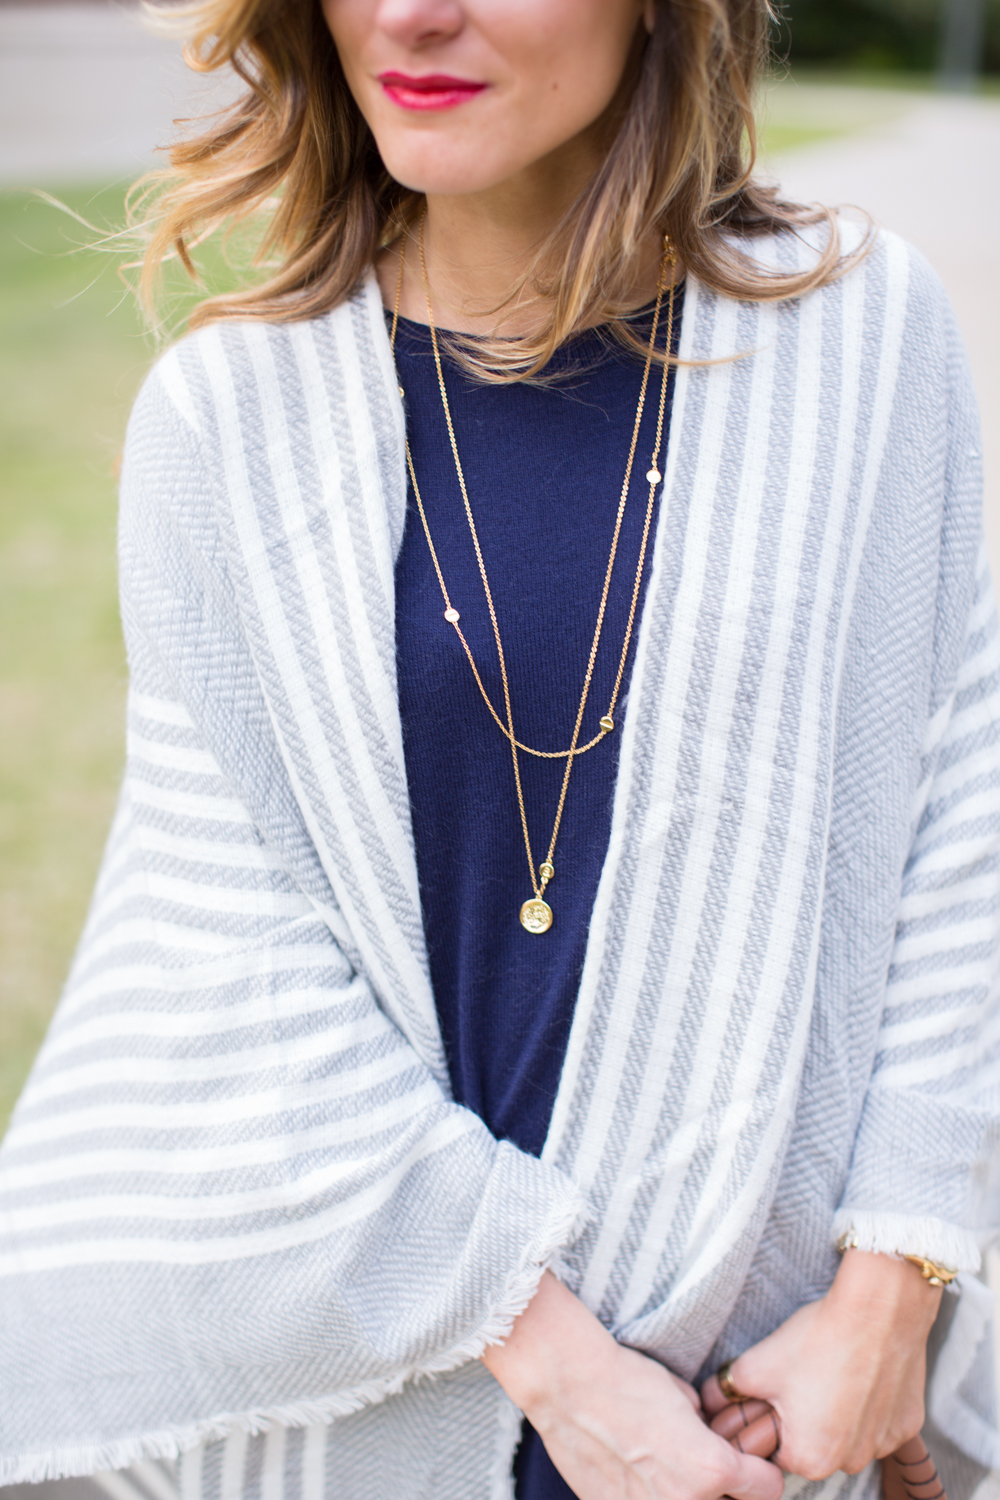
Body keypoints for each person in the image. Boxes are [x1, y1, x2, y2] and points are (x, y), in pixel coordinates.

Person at [0, 2, 997, 1499]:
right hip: (392, 1405)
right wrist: (564, 1368)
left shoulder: (863, 338)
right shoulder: (228, 422)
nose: (413, 13)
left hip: (775, 1419)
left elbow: (958, 807)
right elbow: (232, 956)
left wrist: (892, 1291)